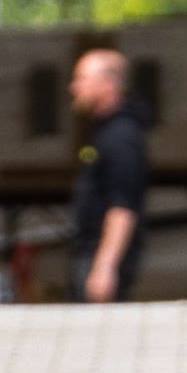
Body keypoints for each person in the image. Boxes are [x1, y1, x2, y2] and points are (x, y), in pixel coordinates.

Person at [67, 49, 150, 303]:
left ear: (107, 84)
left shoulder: (121, 138)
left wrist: (105, 267)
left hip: (99, 257)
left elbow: (122, 206)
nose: (74, 87)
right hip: (90, 253)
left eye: (82, 79)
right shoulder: (105, 132)